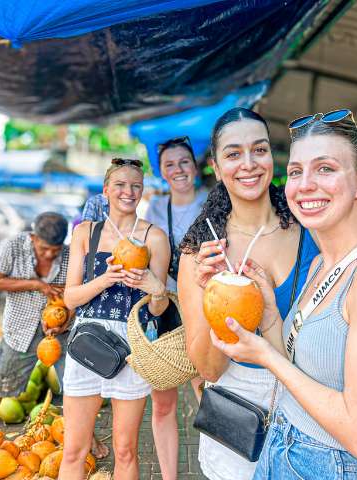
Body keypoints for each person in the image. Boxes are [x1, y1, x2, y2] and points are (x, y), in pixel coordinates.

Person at [209, 109, 357, 478]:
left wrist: (266, 358)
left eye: (325, 168)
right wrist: (272, 315)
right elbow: (301, 366)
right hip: (280, 450)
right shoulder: (322, 262)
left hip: (331, 466)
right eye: (295, 171)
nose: (305, 184)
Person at [176, 107, 319, 480]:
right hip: (236, 417)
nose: (249, 164)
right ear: (217, 166)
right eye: (233, 154)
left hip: (311, 408)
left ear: (272, 156)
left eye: (259, 150)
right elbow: (208, 369)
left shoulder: (313, 231)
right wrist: (214, 296)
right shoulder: (198, 254)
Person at [60, 158, 172, 480]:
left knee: (125, 451)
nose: (129, 191)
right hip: (86, 343)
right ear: (106, 190)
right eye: (121, 185)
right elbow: (70, 299)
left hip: (133, 346)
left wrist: (157, 290)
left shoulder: (155, 238)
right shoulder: (85, 233)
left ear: (142, 191)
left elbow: (157, 311)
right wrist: (106, 278)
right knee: (73, 450)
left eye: (136, 186)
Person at [140, 136, 209, 479]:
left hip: (206, 311)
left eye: (184, 161)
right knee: (163, 403)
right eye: (170, 164)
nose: (178, 169)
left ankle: (218, 469)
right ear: (161, 172)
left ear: (195, 166)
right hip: (165, 309)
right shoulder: (153, 210)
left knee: (208, 397)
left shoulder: (214, 203)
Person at [0, 212, 72, 426]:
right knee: (3, 381)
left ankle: (88, 439)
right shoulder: (12, 246)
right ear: (33, 237)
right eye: (43, 248)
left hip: (61, 329)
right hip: (21, 327)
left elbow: (75, 293)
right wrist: (36, 284)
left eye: (54, 251)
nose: (48, 255)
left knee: (74, 386)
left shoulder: (70, 255)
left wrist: (65, 322)